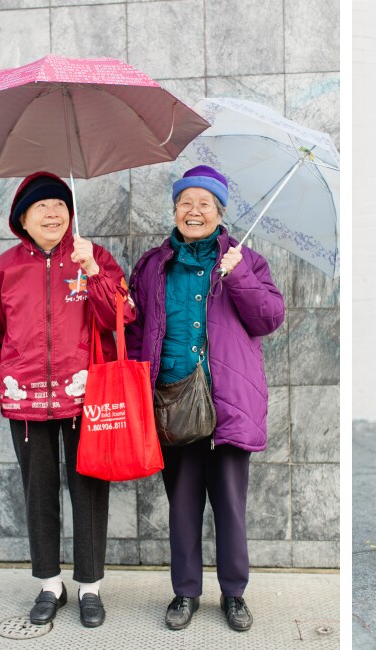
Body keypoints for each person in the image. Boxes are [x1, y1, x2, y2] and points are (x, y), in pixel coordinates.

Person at [0, 171, 134, 627]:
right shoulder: (3, 269)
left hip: (84, 398)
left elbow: (123, 315)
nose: (53, 213)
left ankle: (90, 588)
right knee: (37, 493)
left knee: (89, 490)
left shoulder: (92, 257)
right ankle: (49, 585)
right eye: (42, 206)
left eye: (60, 204)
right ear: (22, 217)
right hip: (24, 402)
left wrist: (95, 273)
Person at [126, 165, 285, 632]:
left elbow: (269, 318)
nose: (194, 212)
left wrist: (240, 279)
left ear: (219, 213)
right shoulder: (154, 265)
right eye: (185, 203)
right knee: (182, 504)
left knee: (231, 506)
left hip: (228, 404)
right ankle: (185, 593)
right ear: (174, 210)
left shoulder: (245, 260)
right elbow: (138, 332)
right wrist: (139, 393)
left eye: (204, 205)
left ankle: (234, 595)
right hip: (172, 403)